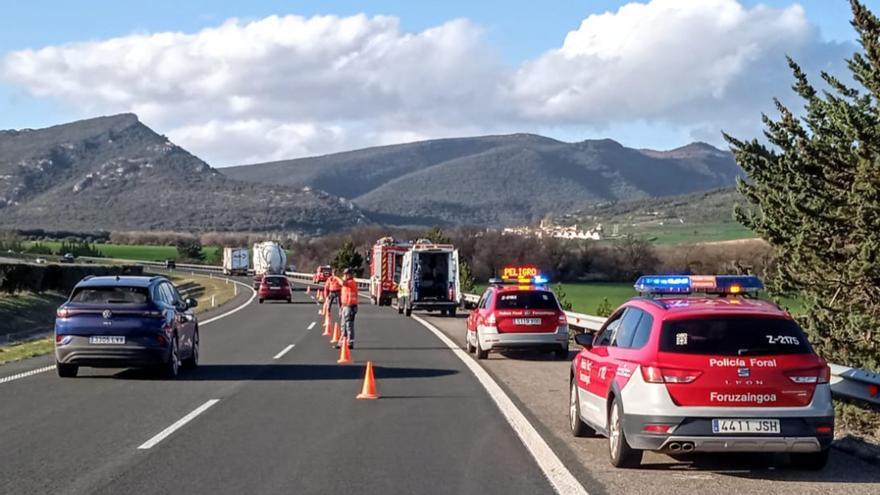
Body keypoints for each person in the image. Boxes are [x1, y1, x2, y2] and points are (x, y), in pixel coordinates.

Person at [338, 268, 358, 349]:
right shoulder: (347, 283)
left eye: (347, 274)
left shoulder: (351, 282)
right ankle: (342, 342)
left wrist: (336, 277)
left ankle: (350, 342)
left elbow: (343, 283)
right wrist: (341, 307)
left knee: (349, 325)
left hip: (350, 306)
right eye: (345, 274)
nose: (345, 275)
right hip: (345, 305)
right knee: (343, 325)